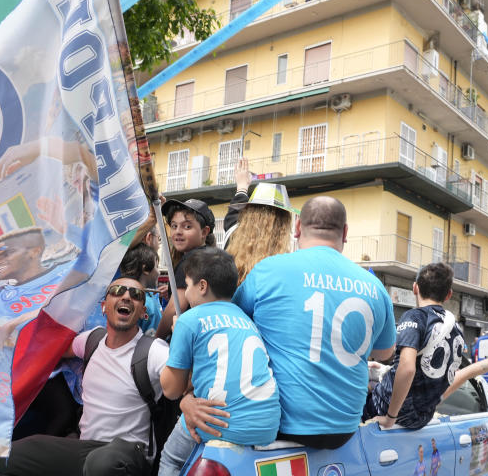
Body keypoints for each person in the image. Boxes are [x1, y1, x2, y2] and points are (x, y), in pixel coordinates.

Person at [183, 196, 396, 449]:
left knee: (174, 453)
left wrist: (186, 398)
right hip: (343, 429)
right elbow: (385, 352)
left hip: (280, 424)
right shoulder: (374, 286)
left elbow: (228, 324)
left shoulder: (268, 270)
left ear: (297, 228)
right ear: (345, 232)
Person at [0, 278, 169, 476]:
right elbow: (47, 349)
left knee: (102, 464)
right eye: (116, 291)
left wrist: (190, 400)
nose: (126, 297)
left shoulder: (154, 351)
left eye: (135, 294)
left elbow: (181, 380)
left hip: (129, 458)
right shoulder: (93, 340)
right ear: (104, 306)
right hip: (86, 453)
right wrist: (4, 337)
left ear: (143, 312)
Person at [135, 248, 280, 476]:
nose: (182, 293)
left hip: (223, 420)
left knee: (171, 459)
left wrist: (177, 335)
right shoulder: (246, 319)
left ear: (201, 286)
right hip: (268, 422)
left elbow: (171, 389)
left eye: (184, 285)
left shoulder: (189, 320)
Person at [373, 263, 488, 430]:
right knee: (373, 374)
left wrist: (390, 417)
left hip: (392, 412)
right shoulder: (456, 331)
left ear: (415, 288)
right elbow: (459, 376)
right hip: (421, 417)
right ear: (449, 295)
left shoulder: (415, 317)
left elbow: (407, 368)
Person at [222, 157, 295, 283]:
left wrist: (242, 186)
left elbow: (233, 216)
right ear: (285, 223)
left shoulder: (232, 237)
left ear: (247, 213)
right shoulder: (287, 266)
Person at [155, 199, 216, 338]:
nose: (178, 232)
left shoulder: (191, 261)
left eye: (187, 227)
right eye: (174, 226)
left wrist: (155, 339)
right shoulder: (210, 256)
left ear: (204, 232)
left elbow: (175, 308)